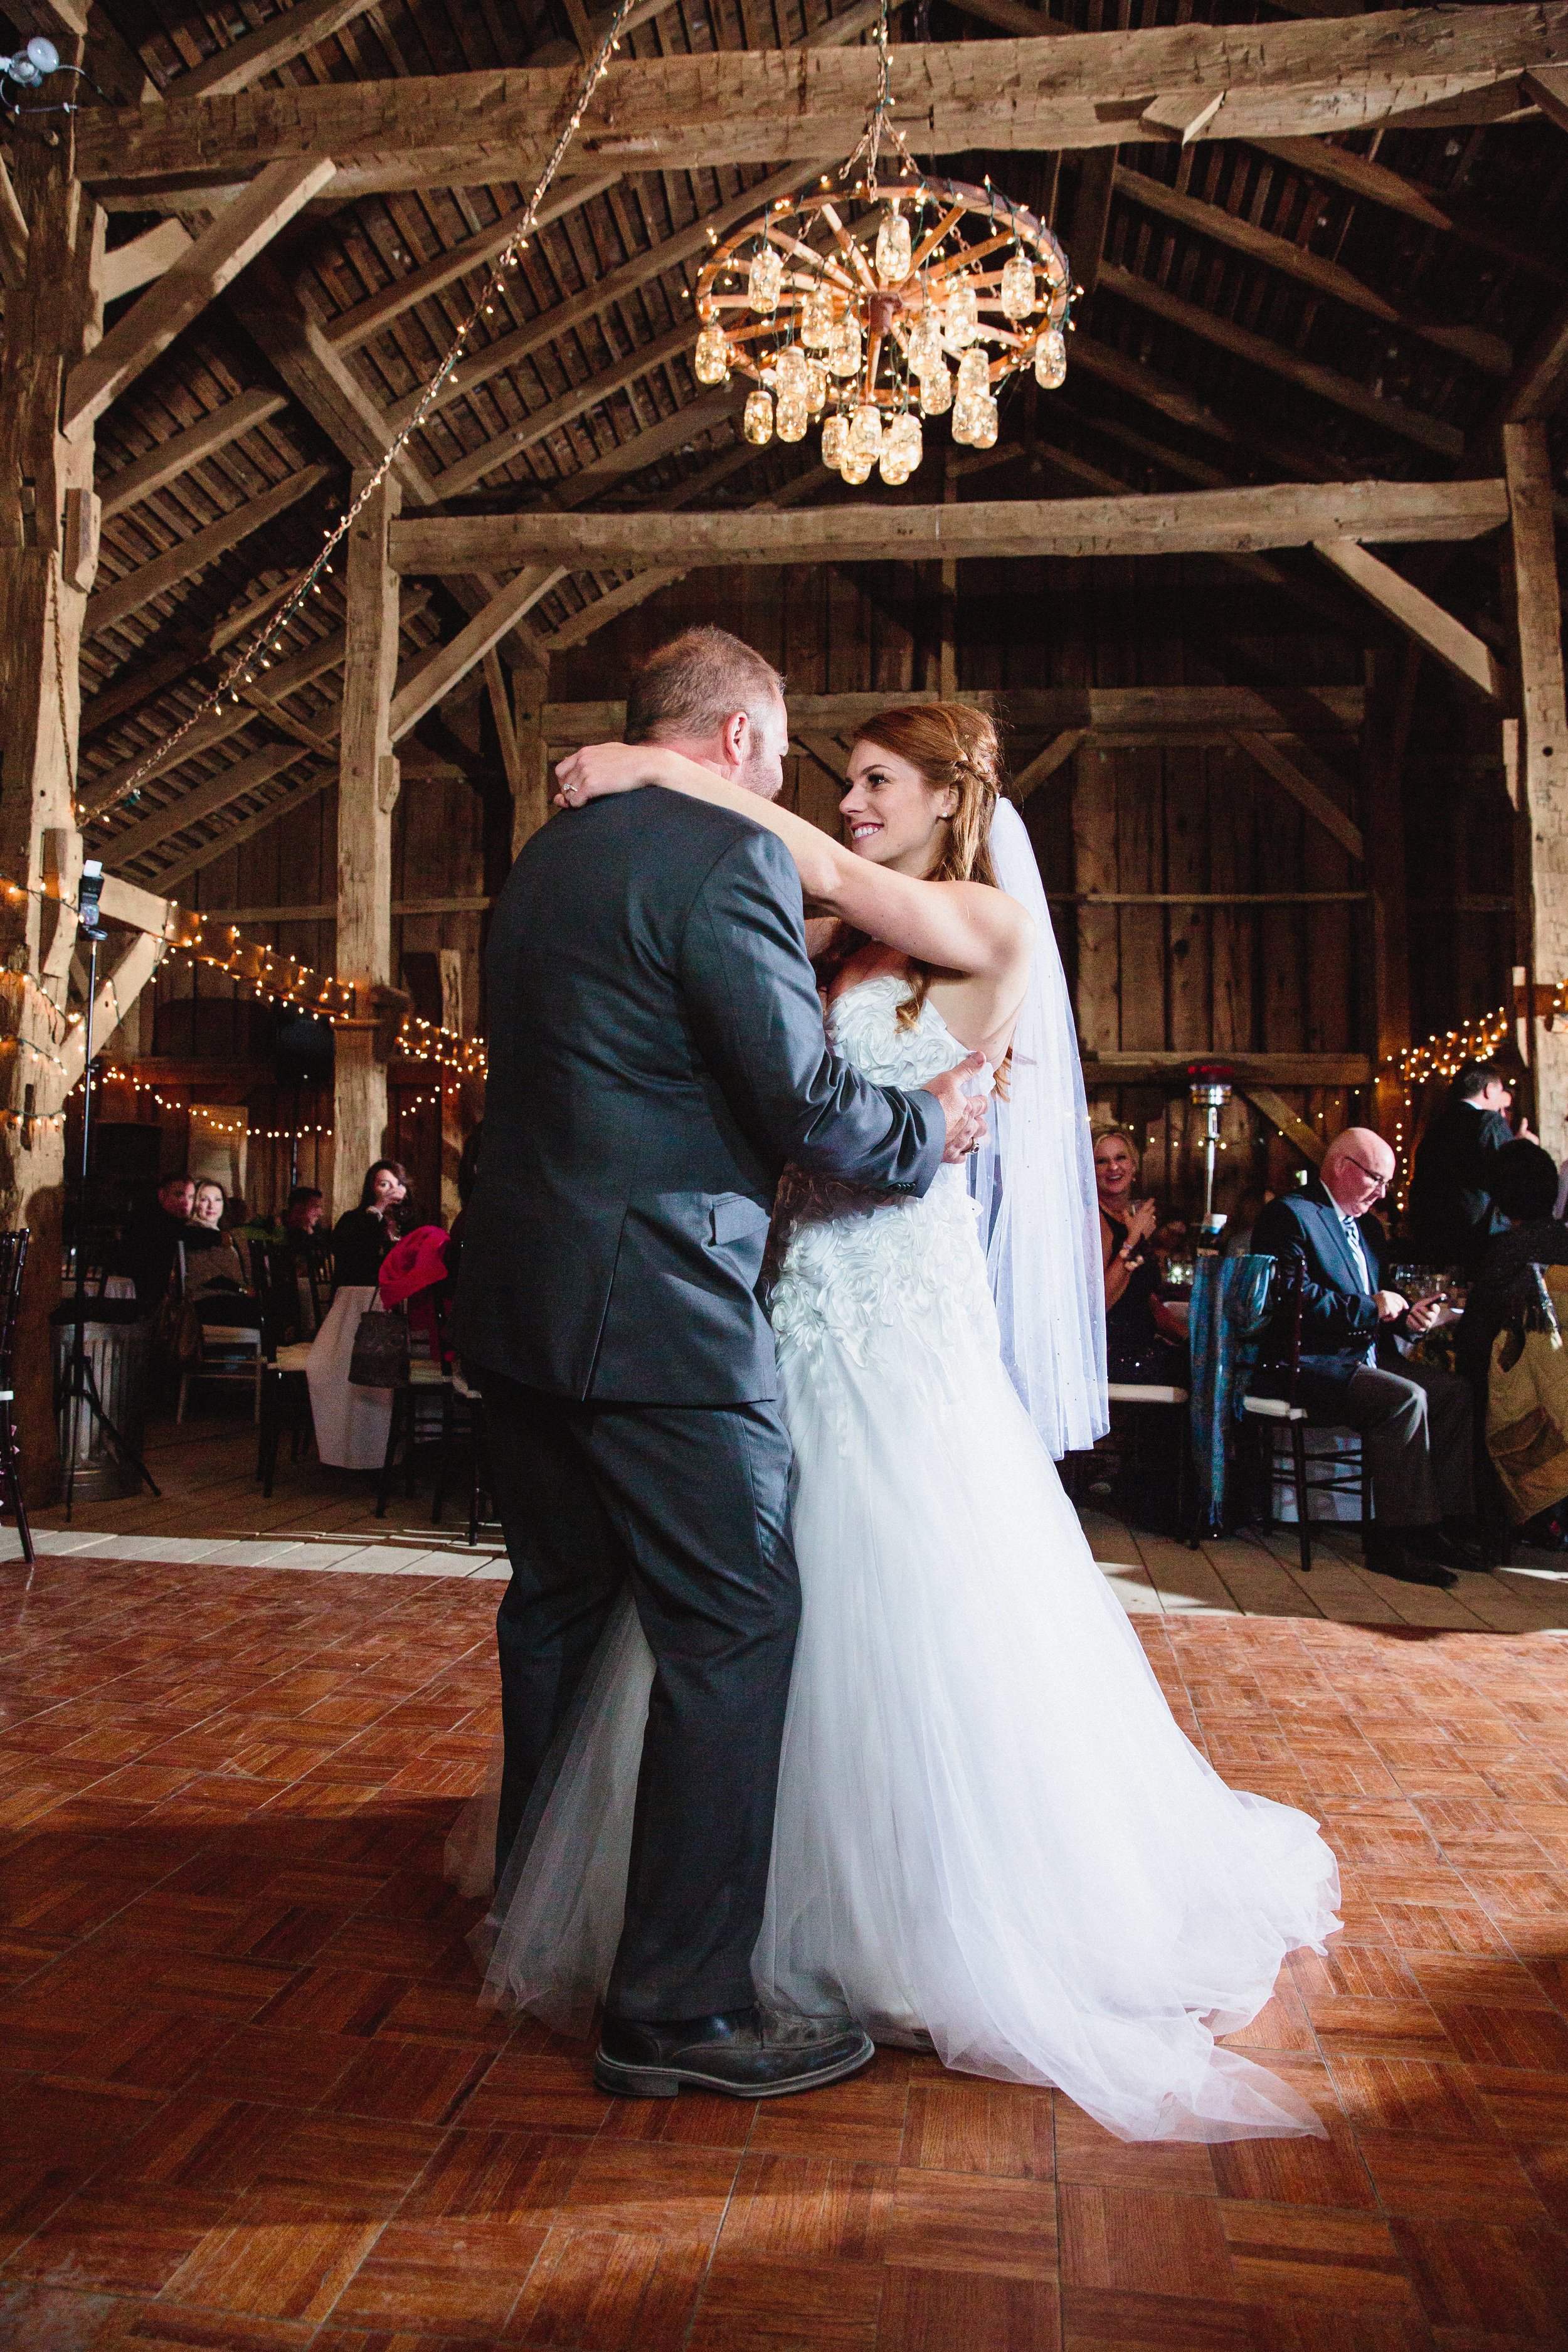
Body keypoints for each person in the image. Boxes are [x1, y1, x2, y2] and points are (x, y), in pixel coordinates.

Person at [451, 659, 1340, 2146]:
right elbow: (773, 1076)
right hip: (766, 1299)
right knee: (728, 1610)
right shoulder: (830, 929)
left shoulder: (981, 920)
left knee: (864, 1606)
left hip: (892, 1301)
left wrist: (667, 773)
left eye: (874, 780)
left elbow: (810, 890)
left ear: (948, 801)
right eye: (831, 770)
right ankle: (697, 1934)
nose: (844, 801)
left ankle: (872, 1914)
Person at [452, 628, 981, 2108]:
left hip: (522, 1300)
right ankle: (675, 2009)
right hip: (662, 1312)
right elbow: (804, 1102)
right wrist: (932, 1131)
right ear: (745, 737)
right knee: (733, 1619)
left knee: (559, 1604)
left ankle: (535, 1913)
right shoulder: (721, 858)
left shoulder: (546, 865)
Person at [1251, 1127, 1479, 1590]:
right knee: (1404, 1398)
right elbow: (1289, 1297)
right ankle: (1393, 1542)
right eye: (1377, 1179)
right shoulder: (1292, 1215)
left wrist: (1407, 1319)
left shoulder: (1369, 1228)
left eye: (1389, 1183)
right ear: (1342, 1167)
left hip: (1366, 1356)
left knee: (1454, 1393)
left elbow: (1381, 1300)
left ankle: (1442, 1527)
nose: (1383, 1192)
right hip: (1310, 1362)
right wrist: (1370, 1308)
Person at [306, 1161, 409, 1470]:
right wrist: (377, 1209)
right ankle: (352, 1450)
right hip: (359, 1302)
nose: (390, 1190)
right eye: (382, 1184)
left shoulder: (410, 1223)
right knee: (343, 1368)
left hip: (399, 1302)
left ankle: (402, 1449)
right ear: (370, 1188)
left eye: (396, 1184)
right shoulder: (356, 1220)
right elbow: (345, 1250)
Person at [1458, 1139, 1568, 1384]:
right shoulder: (1563, 1241)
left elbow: (1473, 1341)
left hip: (1518, 1391)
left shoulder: (1505, 1252)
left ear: (1500, 1198)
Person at [1409, 1059, 1532, 1271]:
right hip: (1481, 1238)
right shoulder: (1488, 1121)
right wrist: (1523, 1148)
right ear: (1489, 1090)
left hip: (1434, 1237)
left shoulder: (1435, 1126)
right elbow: (1511, 1175)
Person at [1093, 1124, 1184, 1381]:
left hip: (1142, 1345)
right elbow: (1101, 1302)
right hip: (1114, 1354)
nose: (1113, 1167)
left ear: (1134, 1166)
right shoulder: (1094, 1220)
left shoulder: (1127, 1218)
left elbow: (1140, 1298)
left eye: (1120, 1158)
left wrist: (1189, 1337)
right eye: (1102, 1161)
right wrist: (1135, 1238)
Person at [117, 1172, 193, 1311]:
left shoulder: (181, 1224)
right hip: (144, 1301)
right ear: (162, 1195)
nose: (186, 1202)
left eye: (191, 1197)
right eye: (179, 1195)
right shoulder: (152, 1220)